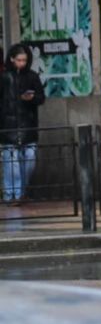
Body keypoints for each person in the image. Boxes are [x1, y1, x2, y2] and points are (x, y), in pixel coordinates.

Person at [0, 43, 44, 206]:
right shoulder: (4, 77)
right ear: (12, 59)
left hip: (28, 124)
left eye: (24, 60)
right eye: (19, 60)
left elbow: (41, 97)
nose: (22, 63)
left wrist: (31, 98)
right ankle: (13, 194)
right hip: (8, 125)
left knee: (29, 160)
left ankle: (21, 191)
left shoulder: (32, 76)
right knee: (12, 163)